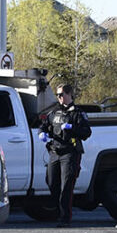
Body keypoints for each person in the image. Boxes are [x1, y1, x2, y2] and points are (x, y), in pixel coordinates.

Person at [41, 80, 92, 225]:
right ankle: (58, 212)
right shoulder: (54, 112)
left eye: (61, 94)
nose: (59, 97)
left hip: (70, 152)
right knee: (51, 182)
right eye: (57, 95)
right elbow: (44, 126)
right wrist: (42, 133)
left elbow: (86, 132)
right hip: (55, 151)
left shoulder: (78, 113)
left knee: (66, 186)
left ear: (69, 94)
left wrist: (72, 128)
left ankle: (65, 217)